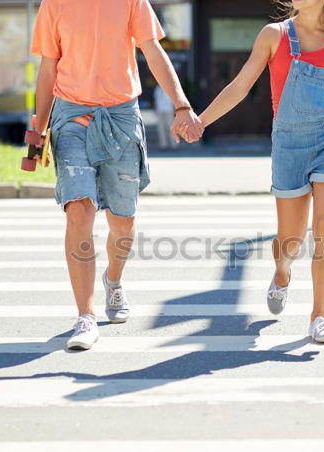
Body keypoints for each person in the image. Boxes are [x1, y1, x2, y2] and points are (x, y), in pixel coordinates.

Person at [30, 0, 204, 350]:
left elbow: (153, 51)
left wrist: (182, 105)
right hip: (72, 116)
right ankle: (85, 316)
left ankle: (114, 280)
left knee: (122, 222)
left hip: (121, 117)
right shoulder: (53, 5)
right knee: (79, 207)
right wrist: (38, 129)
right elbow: (49, 68)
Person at [195, 0, 324, 343]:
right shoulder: (274, 35)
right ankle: (282, 273)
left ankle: (319, 317)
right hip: (289, 144)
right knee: (291, 240)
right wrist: (201, 121)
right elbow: (240, 86)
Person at [154, 85, 178, 149]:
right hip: (160, 110)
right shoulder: (157, 89)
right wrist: (156, 109)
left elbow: (174, 100)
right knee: (161, 128)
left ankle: (173, 144)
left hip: (169, 110)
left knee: (170, 127)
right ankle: (163, 145)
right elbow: (156, 100)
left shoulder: (169, 87)